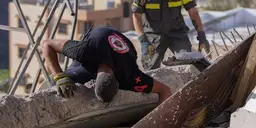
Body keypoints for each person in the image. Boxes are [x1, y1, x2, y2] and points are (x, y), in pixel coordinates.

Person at [41, 26, 172, 104]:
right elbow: (46, 44)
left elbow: (165, 90)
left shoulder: (131, 76)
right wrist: (59, 77)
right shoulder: (85, 51)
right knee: (57, 83)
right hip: (98, 37)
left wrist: (160, 121)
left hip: (123, 45)